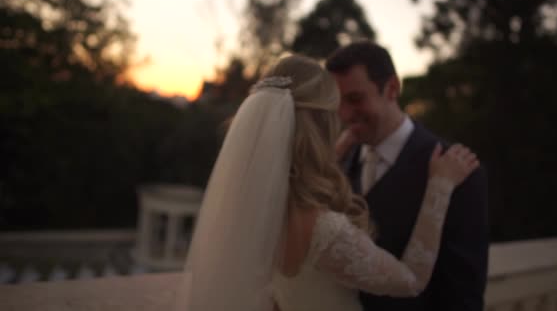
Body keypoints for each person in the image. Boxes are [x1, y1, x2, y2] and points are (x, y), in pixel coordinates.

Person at [174, 55, 479, 311]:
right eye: (335, 111)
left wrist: (332, 152)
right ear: (321, 126)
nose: (343, 117)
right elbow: (411, 279)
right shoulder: (325, 231)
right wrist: (440, 186)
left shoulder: (250, 202)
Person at [326, 41, 489, 311]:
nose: (343, 114)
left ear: (392, 88)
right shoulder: (337, 164)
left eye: (355, 99)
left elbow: (463, 295)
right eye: (338, 102)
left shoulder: (459, 172)